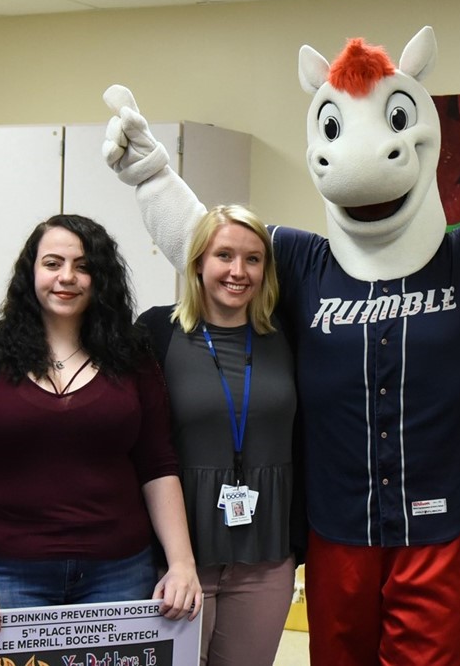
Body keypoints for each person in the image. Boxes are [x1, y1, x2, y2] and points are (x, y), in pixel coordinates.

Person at [102, 31, 460, 665]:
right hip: (335, 529)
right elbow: (213, 244)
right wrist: (150, 174)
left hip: (439, 532)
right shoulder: (304, 262)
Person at [0, 214, 201, 642]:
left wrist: (181, 564)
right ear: (31, 272)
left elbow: (158, 464)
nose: (68, 277)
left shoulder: (133, 359)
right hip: (7, 577)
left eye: (83, 266)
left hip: (120, 573)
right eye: (53, 263)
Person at [135, 205, 300, 666]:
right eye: (224, 255)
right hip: (179, 559)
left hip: (266, 558)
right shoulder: (155, 333)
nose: (238, 271)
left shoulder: (286, 336)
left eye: (252, 259)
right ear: (198, 263)